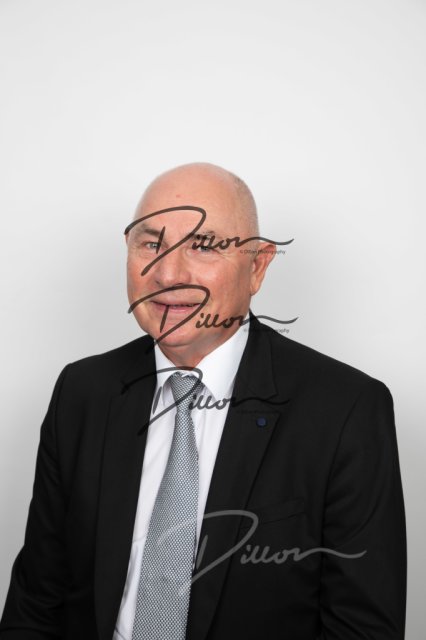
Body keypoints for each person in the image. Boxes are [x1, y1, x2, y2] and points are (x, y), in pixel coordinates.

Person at [0, 162, 406, 639]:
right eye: (151, 244)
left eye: (204, 245)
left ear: (258, 266)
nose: (167, 273)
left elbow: (361, 629)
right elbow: (36, 601)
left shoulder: (346, 411)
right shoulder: (82, 392)